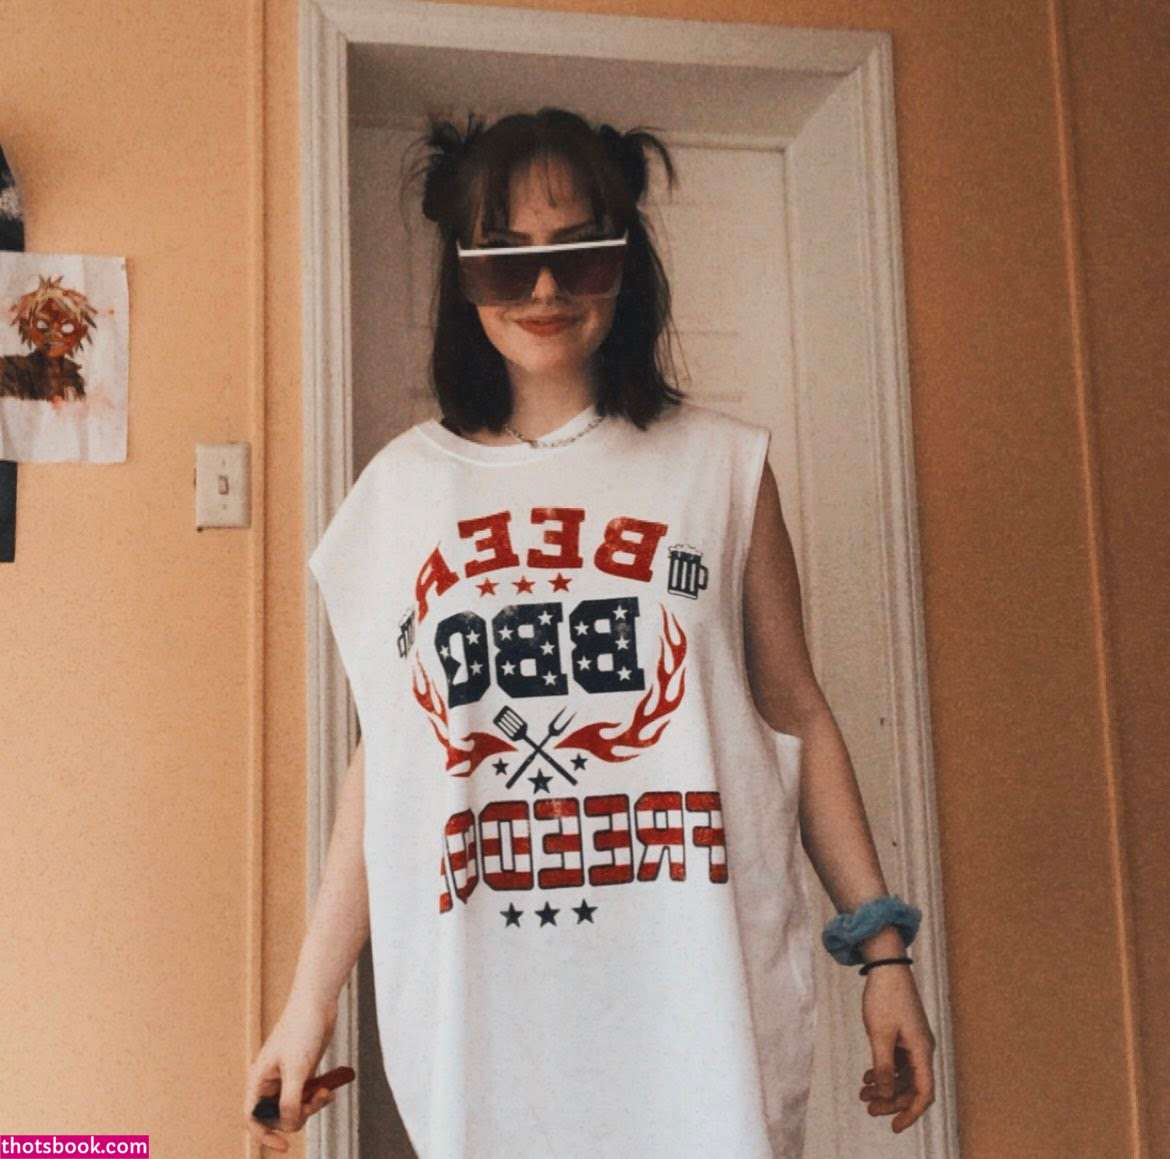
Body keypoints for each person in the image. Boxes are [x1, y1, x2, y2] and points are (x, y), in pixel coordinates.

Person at [245, 107, 936, 1156]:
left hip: (699, 1010)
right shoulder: (400, 496)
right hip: (491, 1019)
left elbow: (797, 713)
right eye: (504, 258)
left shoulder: (721, 468)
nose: (543, 290)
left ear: (627, 263)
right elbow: (387, 760)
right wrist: (309, 1001)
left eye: (579, 253)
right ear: (462, 277)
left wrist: (883, 954)